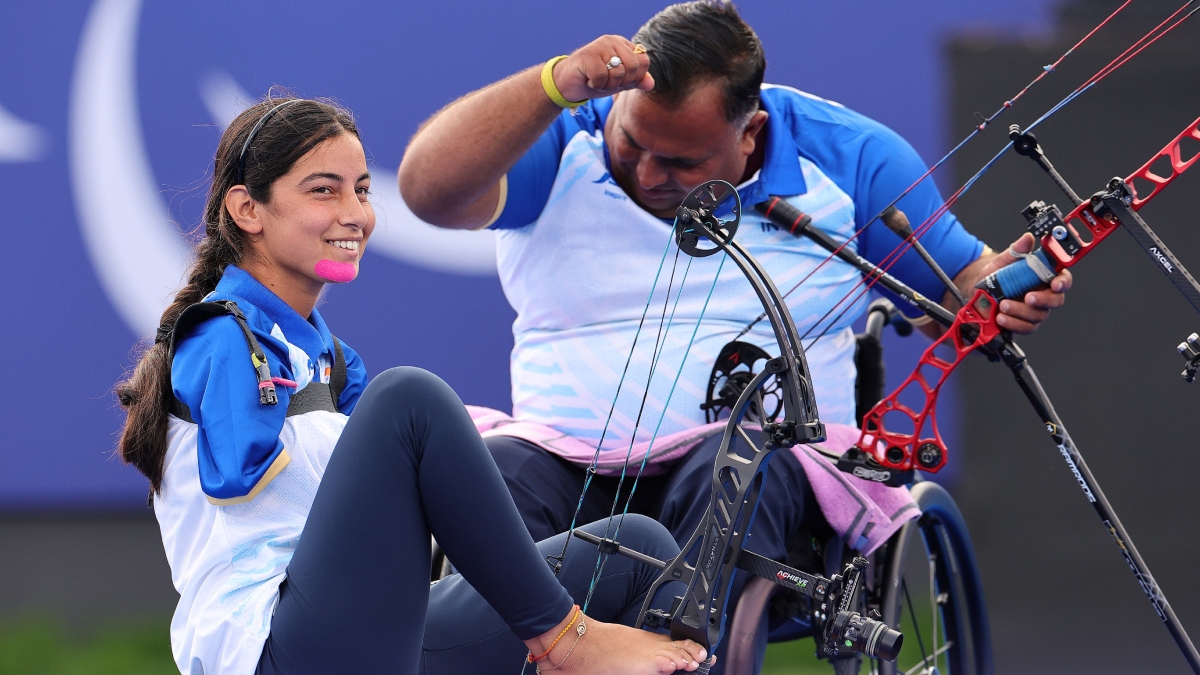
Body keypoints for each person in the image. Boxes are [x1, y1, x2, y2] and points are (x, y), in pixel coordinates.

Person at [398, 1, 1073, 671]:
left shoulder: (852, 158)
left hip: (754, 469)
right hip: (564, 460)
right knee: (494, 472)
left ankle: (675, 659)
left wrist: (1009, 286)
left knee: (735, 462)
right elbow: (428, 191)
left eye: (682, 161)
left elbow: (951, 297)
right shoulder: (563, 133)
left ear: (749, 134)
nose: (647, 173)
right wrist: (551, 85)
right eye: (632, 144)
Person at [114, 96, 711, 675]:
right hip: (277, 648)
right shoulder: (221, 337)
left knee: (638, 551)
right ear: (247, 210)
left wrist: (448, 482)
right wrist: (427, 479)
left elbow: (379, 506)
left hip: (377, 628)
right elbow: (242, 475)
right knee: (409, 399)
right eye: (324, 189)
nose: (356, 213)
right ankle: (562, 638)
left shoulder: (331, 358)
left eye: (363, 189)